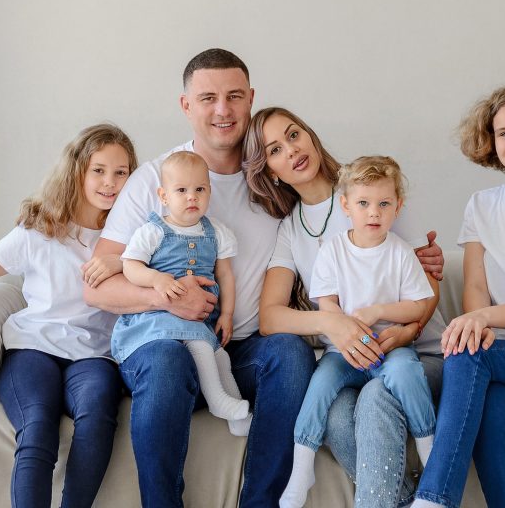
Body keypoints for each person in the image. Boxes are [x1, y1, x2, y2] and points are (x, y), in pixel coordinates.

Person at [84, 49, 316, 508]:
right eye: (208, 98)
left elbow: (343, 212)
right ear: (186, 105)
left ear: (251, 99)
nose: (223, 110)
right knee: (166, 362)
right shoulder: (156, 179)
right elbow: (96, 287)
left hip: (239, 348)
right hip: (162, 344)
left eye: (234, 96)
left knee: (291, 354)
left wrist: (408, 254)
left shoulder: (273, 176)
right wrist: (167, 299)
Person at [242, 106, 446, 507]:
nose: (292, 150)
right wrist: (333, 324)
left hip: (418, 353)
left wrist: (408, 330)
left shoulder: (370, 193)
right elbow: (270, 317)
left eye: (294, 135)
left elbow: (429, 283)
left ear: (310, 136)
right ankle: (407, 501)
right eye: (275, 150)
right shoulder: (290, 231)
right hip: (351, 359)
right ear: (270, 171)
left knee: (374, 401)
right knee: (335, 415)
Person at [0, 124, 138, 508]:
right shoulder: (39, 229)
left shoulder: (135, 238)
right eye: (99, 170)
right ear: (78, 171)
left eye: (121, 172)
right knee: (38, 425)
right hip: (32, 349)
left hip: (94, 355)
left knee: (97, 417)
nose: (110, 182)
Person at [412, 84, 505, 508]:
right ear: (491, 141)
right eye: (504, 133)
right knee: (492, 405)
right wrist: (477, 323)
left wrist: (481, 322)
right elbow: (476, 288)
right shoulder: (481, 206)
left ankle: (434, 498)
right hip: (502, 357)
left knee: (467, 351)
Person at [280, 156, 436, 508]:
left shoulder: (400, 253)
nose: (373, 213)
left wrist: (379, 311)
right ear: (346, 206)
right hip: (345, 351)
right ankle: (302, 467)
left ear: (398, 207)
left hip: (389, 348)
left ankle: (430, 452)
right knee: (320, 385)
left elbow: (417, 307)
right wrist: (350, 332)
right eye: (363, 203)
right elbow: (327, 304)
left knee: (407, 372)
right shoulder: (333, 250)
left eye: (384, 204)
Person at [111, 151, 252, 434]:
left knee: (221, 356)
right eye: (181, 190)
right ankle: (217, 401)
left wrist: (226, 314)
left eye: (200, 189)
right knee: (201, 346)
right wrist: (157, 279)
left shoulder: (217, 232)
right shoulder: (153, 231)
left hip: (199, 319)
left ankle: (237, 417)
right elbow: (130, 267)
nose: (192, 197)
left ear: (209, 192)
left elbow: (226, 275)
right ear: (164, 196)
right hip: (158, 319)